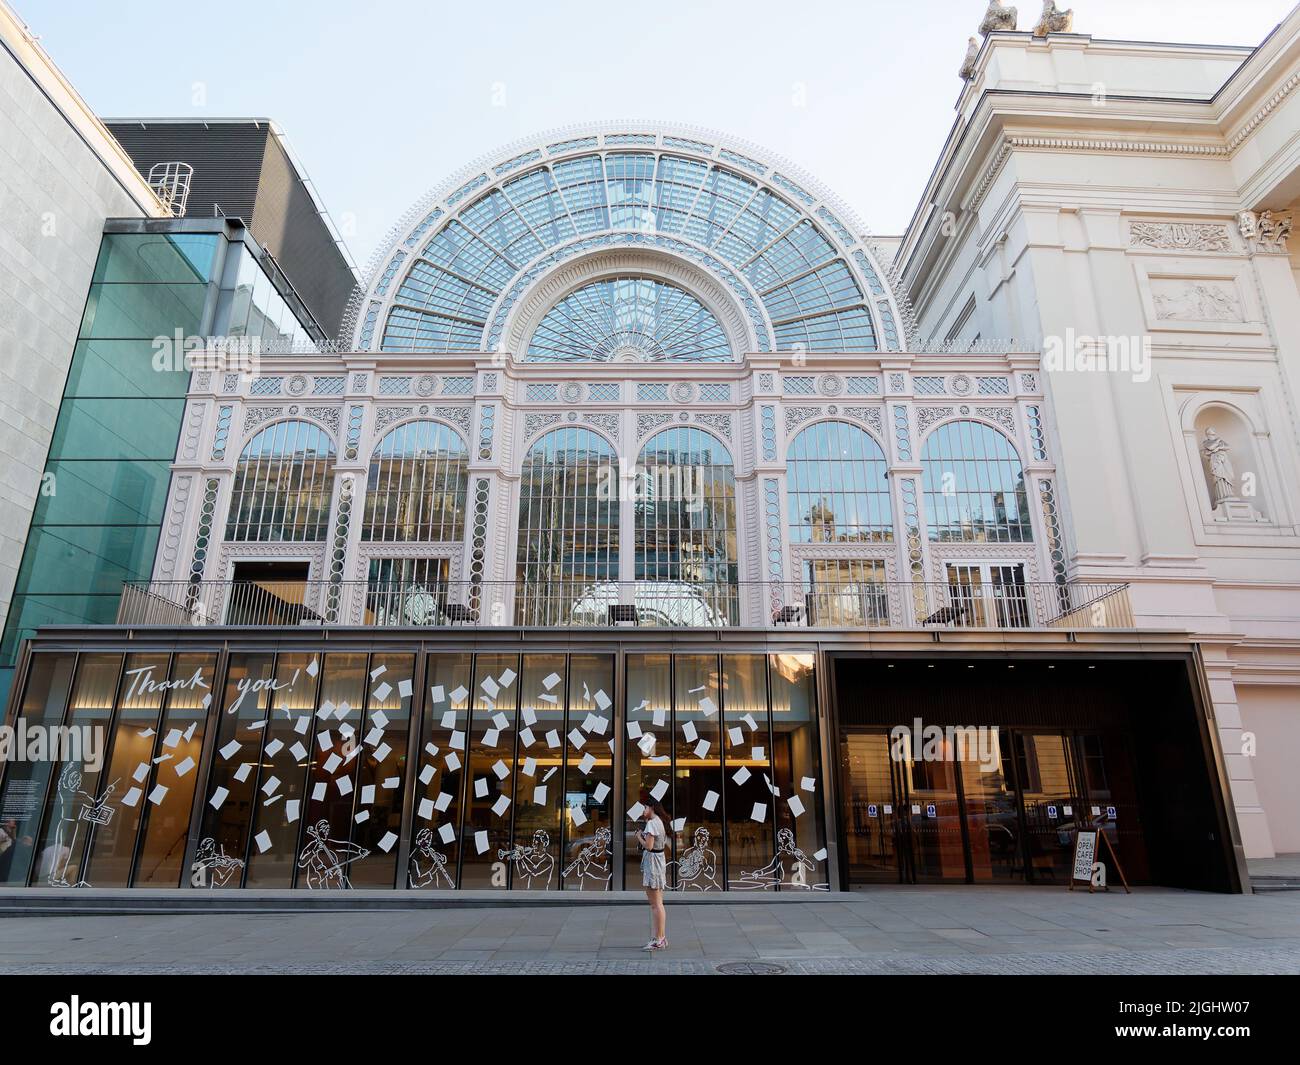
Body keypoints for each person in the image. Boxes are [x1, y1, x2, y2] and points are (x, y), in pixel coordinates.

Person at [636, 800, 670, 951]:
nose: (643, 810)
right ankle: (660, 937)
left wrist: (638, 836)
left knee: (655, 904)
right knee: (658, 903)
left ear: (651, 808)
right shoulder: (658, 821)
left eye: (645, 807)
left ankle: (659, 939)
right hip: (658, 862)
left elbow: (648, 846)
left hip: (653, 864)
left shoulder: (652, 824)